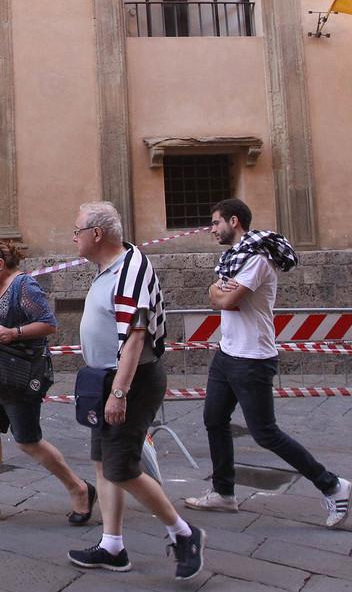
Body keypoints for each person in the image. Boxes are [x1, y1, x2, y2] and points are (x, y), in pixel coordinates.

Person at [185, 198, 352, 528]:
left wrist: (220, 291)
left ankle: (333, 486)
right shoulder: (233, 259)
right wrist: (217, 290)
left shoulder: (258, 260)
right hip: (228, 354)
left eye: (216, 222)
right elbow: (213, 296)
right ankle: (224, 493)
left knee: (265, 433)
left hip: (253, 358)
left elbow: (229, 302)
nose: (213, 229)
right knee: (214, 419)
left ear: (234, 221)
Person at [68, 202, 205, 581]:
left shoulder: (131, 271)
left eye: (77, 229)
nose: (73, 236)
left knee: (122, 466)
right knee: (102, 461)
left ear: (97, 234)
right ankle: (112, 546)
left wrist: (120, 393)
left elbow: (135, 337)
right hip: (105, 378)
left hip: (130, 380)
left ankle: (184, 533)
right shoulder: (111, 266)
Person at [0, 238, 96, 525]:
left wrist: (14, 332)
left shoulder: (24, 285)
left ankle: (79, 489)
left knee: (28, 442)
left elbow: (49, 323)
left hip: (18, 377)